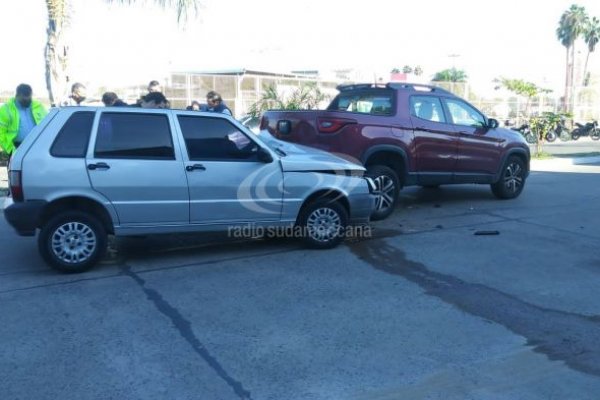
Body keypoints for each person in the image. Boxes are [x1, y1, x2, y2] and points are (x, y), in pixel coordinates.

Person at [0, 84, 47, 156]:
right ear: (17, 96)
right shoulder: (5, 110)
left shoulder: (38, 106)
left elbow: (48, 124)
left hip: (37, 146)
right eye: (24, 100)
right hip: (17, 147)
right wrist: (11, 151)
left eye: (30, 98)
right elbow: (1, 134)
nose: (28, 101)